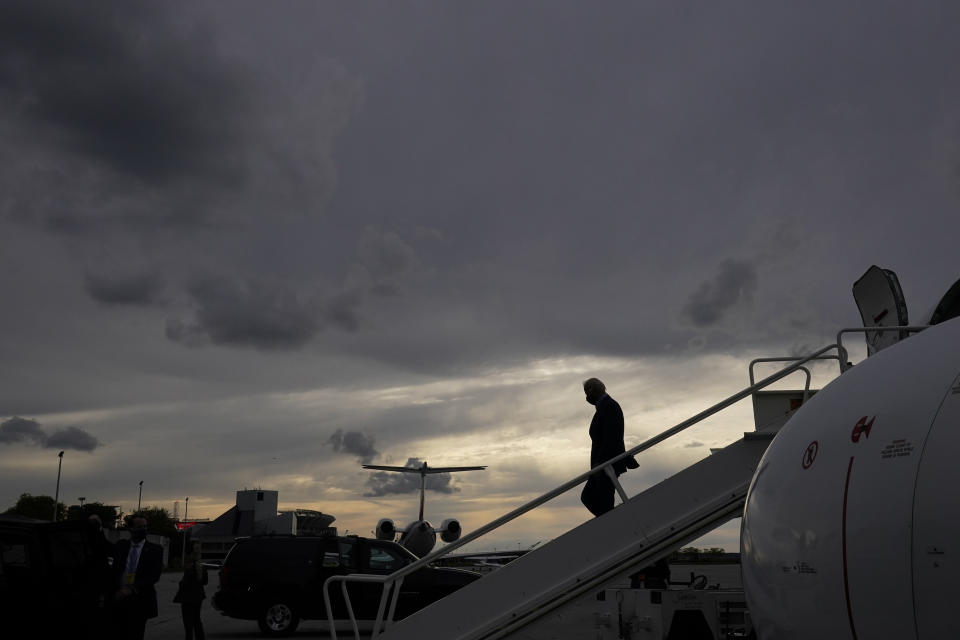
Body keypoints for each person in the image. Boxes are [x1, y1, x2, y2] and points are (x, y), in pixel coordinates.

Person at [580, 377, 638, 516]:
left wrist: (600, 463)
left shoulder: (609, 406)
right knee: (601, 501)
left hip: (606, 464)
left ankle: (617, 525)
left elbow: (611, 438)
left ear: (592, 390)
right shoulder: (604, 407)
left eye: (586, 392)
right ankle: (613, 524)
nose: (586, 397)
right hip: (604, 464)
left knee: (591, 498)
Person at [111, 515, 164, 640]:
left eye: (145, 526)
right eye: (139, 527)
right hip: (120, 599)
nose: (143, 529)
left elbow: (154, 576)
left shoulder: (155, 550)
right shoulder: (121, 546)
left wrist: (132, 588)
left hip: (140, 600)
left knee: (136, 634)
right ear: (130, 529)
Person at [176, 542, 208, 640]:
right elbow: (205, 582)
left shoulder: (189, 566)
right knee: (196, 619)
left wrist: (181, 583)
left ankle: (189, 638)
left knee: (188, 622)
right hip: (198, 595)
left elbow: (186, 582)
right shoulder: (201, 566)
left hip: (187, 596)